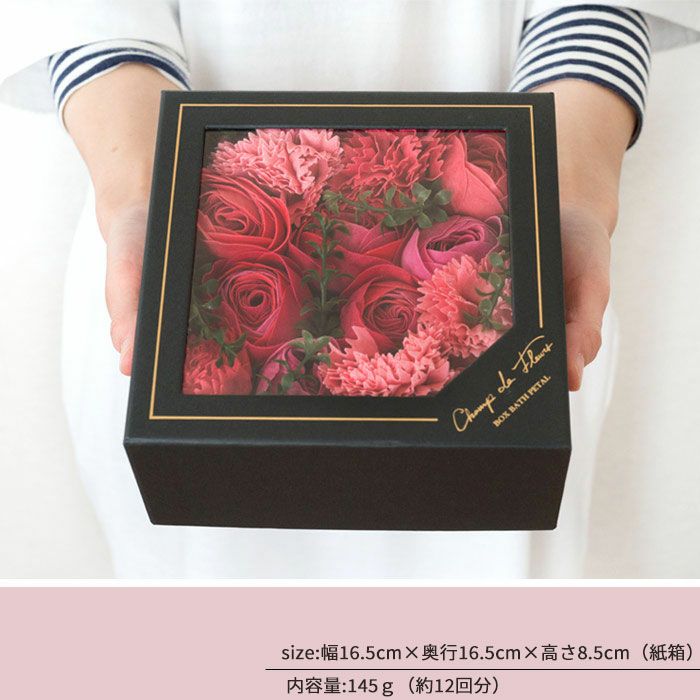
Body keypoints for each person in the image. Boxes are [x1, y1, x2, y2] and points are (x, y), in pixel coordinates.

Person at [2, 1, 698, 578]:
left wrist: (567, 197)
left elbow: (592, 12)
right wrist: (144, 198)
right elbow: (93, 17)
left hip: (505, 327)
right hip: (165, 238)